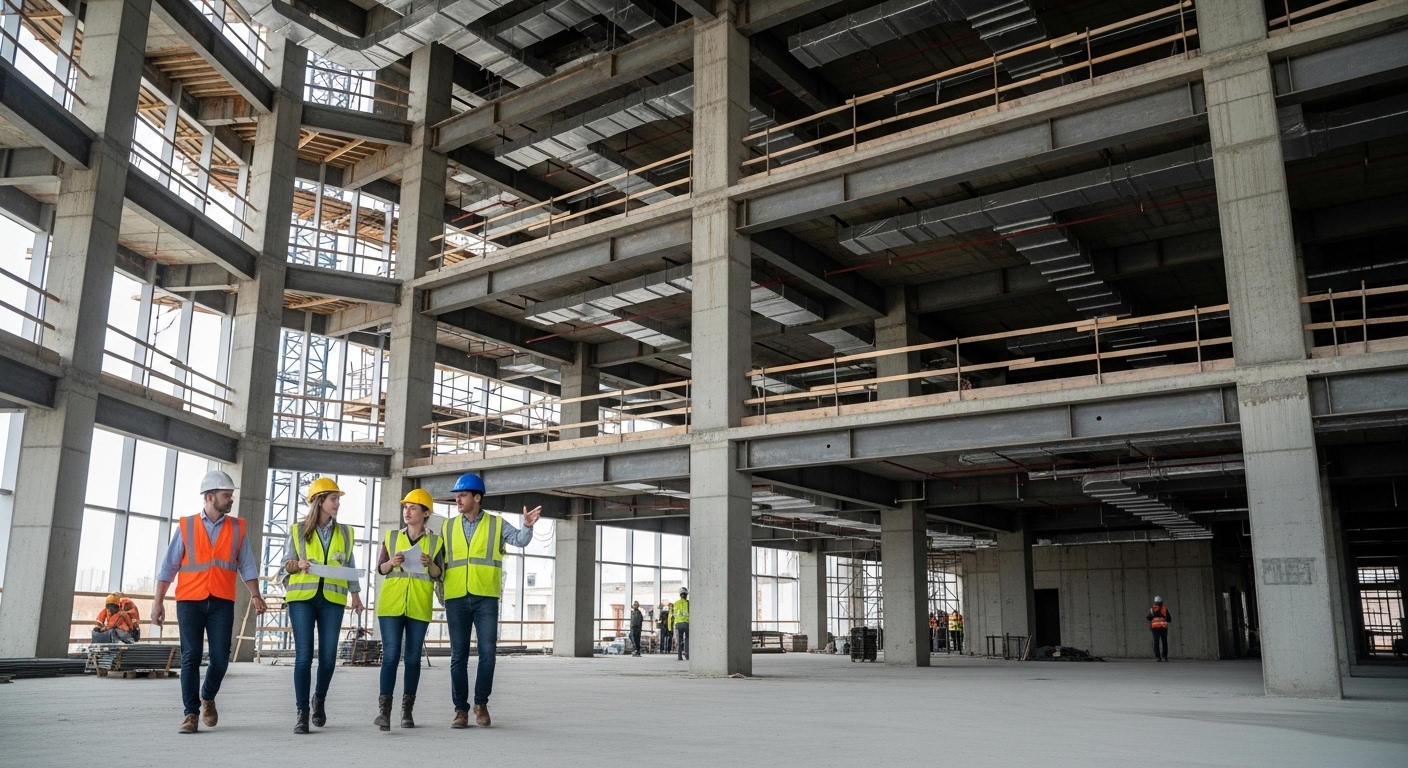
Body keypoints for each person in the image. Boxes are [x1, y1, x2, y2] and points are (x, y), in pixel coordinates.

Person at [151, 470, 266, 735]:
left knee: (220, 658)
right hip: (190, 601)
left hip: (222, 601)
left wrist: (256, 595)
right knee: (190, 657)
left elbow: (246, 565)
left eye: (231, 496)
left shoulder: (237, 528)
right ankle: (190, 714)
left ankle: (208, 695)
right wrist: (158, 603)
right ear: (210, 497)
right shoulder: (187, 526)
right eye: (227, 496)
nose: (231, 500)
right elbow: (168, 567)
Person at [443, 473, 539, 728]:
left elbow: (520, 540)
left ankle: (481, 703)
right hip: (456, 597)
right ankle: (460, 711)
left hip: (485, 597)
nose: (457, 499)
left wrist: (527, 525)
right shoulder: (448, 526)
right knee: (458, 656)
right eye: (456, 495)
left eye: (462, 495)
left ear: (477, 497)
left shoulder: (497, 524)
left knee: (488, 653)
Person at [283, 476, 364, 734]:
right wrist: (297, 565)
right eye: (333, 499)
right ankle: (302, 712)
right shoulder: (297, 531)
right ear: (319, 501)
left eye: (338, 499)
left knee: (328, 658)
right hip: (302, 599)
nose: (337, 503)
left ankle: (319, 699)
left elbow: (349, 565)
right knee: (304, 657)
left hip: (332, 600)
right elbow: (286, 564)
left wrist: (356, 595)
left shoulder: (345, 533)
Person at [373, 489, 444, 731]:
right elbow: (380, 569)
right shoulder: (391, 537)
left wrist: (431, 564)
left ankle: (407, 711)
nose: (407, 511)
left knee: (412, 659)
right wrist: (390, 562)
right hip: (391, 604)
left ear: (425, 513)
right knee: (391, 656)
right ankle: (384, 712)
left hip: (418, 605)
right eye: (406, 507)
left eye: (413, 508)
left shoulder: (436, 542)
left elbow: (439, 574)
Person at [1148, 596, 1171, 662]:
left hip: (1163, 628)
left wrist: (1163, 616)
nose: (1158, 605)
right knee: (1156, 642)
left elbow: (1169, 619)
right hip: (1155, 628)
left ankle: (1164, 655)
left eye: (1159, 603)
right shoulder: (1152, 609)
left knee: (1164, 642)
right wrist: (1152, 615)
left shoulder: (1164, 609)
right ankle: (1158, 656)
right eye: (1157, 603)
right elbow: (1149, 618)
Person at [670, 587, 690, 661]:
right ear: (686, 595)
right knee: (687, 639)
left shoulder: (675, 604)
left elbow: (671, 616)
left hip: (678, 624)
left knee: (679, 640)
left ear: (680, 595)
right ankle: (687, 655)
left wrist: (670, 627)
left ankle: (679, 656)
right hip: (687, 623)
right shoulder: (689, 603)